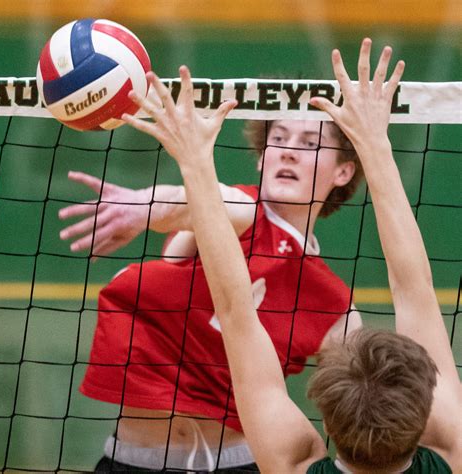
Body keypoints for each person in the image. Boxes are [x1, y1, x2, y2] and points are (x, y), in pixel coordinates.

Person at [126, 40, 462, 472]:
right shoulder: (451, 453)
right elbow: (413, 290)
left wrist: (194, 164)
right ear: (424, 410)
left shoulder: (297, 461)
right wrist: (375, 144)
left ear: (325, 418)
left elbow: (235, 313)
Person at [59, 57, 364, 471]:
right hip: (132, 462)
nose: (289, 152)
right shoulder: (237, 211)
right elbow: (194, 201)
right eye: (280, 139)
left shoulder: (336, 310)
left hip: (243, 463)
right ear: (260, 158)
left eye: (310, 144)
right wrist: (140, 207)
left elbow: (361, 413)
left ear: (343, 171)